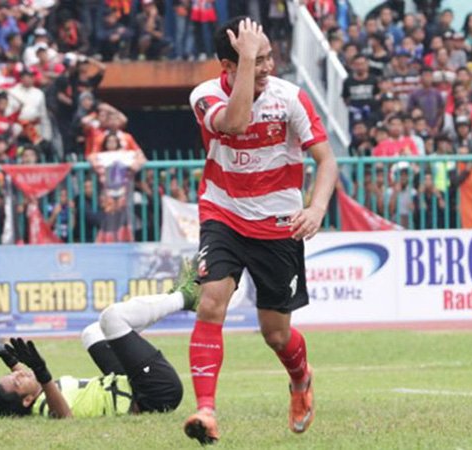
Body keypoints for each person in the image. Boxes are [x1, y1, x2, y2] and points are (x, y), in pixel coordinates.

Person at [185, 16, 337, 445]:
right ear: (227, 65)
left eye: (270, 55)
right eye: (258, 56)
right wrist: (247, 62)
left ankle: (300, 379)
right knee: (212, 302)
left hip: (278, 225)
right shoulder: (205, 96)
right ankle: (206, 411)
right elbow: (233, 123)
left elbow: (327, 161)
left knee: (275, 333)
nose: (269, 65)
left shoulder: (291, 98)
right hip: (223, 214)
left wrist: (317, 207)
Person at [0, 267, 202, 419]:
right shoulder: (45, 406)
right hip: (155, 393)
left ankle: (169, 300)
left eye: (13, 374)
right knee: (111, 318)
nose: (19, 373)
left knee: (92, 333)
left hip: (129, 383)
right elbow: (64, 417)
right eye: (16, 381)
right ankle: (183, 297)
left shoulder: (35, 395)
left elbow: (27, 381)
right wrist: (43, 374)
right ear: (27, 401)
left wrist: (7, 357)